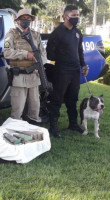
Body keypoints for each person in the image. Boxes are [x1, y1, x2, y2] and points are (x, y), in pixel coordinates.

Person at [46, 5, 89, 138]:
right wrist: (60, 60)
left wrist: (83, 65)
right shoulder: (57, 33)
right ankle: (53, 127)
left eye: (77, 15)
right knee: (57, 99)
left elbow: (79, 51)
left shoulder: (77, 32)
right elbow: (49, 54)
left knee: (72, 99)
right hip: (61, 71)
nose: (77, 18)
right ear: (66, 16)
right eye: (74, 15)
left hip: (75, 72)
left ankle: (73, 124)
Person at [3, 8, 47, 124]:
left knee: (35, 106)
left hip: (34, 75)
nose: (26, 20)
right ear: (18, 20)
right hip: (19, 76)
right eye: (23, 18)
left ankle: (33, 125)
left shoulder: (36, 35)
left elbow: (43, 54)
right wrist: (25, 54)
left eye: (28, 18)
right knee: (17, 108)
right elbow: (7, 53)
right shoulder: (11, 34)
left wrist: (39, 65)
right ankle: (15, 128)